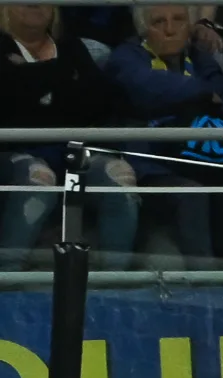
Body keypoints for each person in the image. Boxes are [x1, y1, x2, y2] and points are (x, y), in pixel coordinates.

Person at [104, 4, 223, 265]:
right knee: (191, 193)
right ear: (144, 30)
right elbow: (148, 88)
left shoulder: (199, 57)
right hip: (154, 165)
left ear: (190, 27)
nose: (170, 29)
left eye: (179, 20)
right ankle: (203, 274)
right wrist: (204, 95)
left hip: (201, 155)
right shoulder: (126, 57)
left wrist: (219, 109)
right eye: (159, 22)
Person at [0, 4, 138, 271]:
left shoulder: (70, 46)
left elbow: (99, 101)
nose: (34, 4)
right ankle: (7, 275)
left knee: (120, 176)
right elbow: (7, 103)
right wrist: (63, 75)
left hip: (70, 149)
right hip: (10, 151)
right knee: (38, 177)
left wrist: (29, 80)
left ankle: (114, 279)